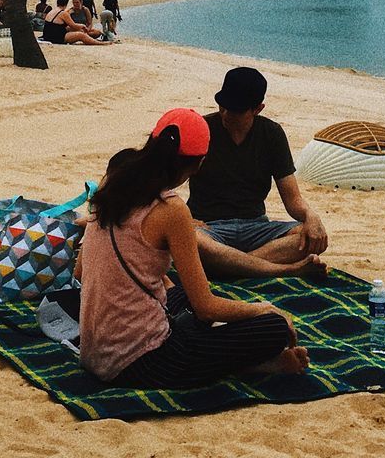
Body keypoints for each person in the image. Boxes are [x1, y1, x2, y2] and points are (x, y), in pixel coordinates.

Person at [78, 108, 308, 386]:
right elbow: (207, 308)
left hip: (93, 353)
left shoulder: (115, 179)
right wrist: (265, 309)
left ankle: (237, 358)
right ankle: (248, 365)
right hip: (140, 361)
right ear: (198, 165)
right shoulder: (170, 208)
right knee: (274, 328)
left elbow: (81, 272)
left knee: (184, 296)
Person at [186, 67, 328, 264]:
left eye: (235, 110)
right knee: (191, 239)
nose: (226, 114)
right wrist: (184, 218)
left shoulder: (272, 134)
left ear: (257, 109)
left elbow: (293, 200)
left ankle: (233, 264)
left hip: (255, 226)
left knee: (309, 237)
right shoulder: (203, 129)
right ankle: (259, 265)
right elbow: (163, 183)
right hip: (208, 227)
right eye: (222, 106)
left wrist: (311, 216)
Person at [41, 0, 110, 46]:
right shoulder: (63, 13)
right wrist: (82, 26)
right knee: (81, 35)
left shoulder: (53, 11)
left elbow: (89, 22)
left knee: (93, 32)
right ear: (66, 4)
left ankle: (93, 38)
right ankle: (100, 43)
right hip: (57, 37)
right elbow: (73, 25)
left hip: (47, 35)